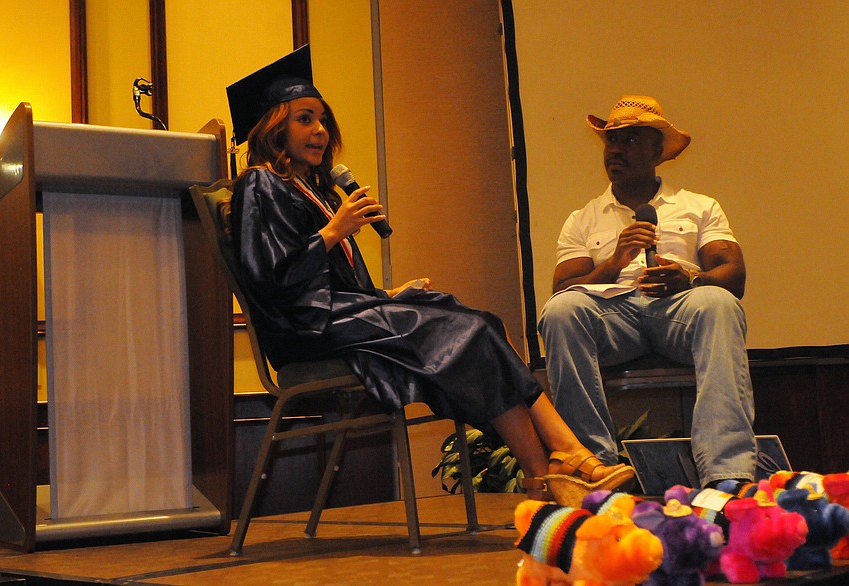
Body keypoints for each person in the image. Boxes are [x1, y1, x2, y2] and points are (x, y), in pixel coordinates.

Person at [224, 46, 634, 502]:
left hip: (331, 316)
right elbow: (270, 279)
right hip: (302, 329)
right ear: (272, 126)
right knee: (469, 331)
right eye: (304, 118)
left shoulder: (309, 187)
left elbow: (329, 282)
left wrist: (384, 294)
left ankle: (548, 469)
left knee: (479, 322)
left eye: (322, 119)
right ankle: (562, 457)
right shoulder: (260, 183)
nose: (320, 130)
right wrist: (334, 231)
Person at [538, 95, 756, 489]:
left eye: (631, 140)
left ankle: (727, 472)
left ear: (658, 151)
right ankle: (595, 466)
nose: (616, 150)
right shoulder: (583, 218)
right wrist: (612, 264)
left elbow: (733, 274)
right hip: (613, 318)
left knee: (719, 303)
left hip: (679, 312)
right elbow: (561, 289)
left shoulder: (699, 206)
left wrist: (690, 280)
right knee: (561, 311)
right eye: (612, 141)